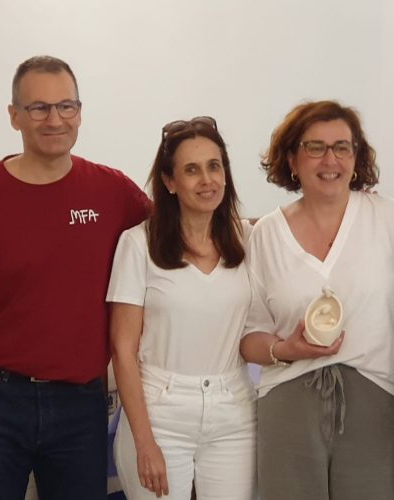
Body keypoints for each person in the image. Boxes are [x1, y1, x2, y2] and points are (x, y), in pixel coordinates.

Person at [0, 55, 150, 499]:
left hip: (80, 403)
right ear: (14, 116)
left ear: (80, 113)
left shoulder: (112, 192)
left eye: (66, 106)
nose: (54, 120)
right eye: (39, 108)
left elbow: (181, 236)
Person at [240, 100, 394, 500]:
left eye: (342, 147)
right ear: (292, 159)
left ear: (356, 156)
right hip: (288, 402)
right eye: (315, 147)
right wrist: (286, 349)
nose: (330, 160)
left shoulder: (388, 218)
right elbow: (249, 337)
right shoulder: (266, 235)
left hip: (377, 399)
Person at [109, 116, 256, 499]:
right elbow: (123, 351)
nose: (207, 180)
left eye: (214, 166)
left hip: (233, 410)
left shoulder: (248, 239)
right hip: (160, 411)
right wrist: (144, 441)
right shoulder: (137, 245)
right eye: (191, 170)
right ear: (170, 182)